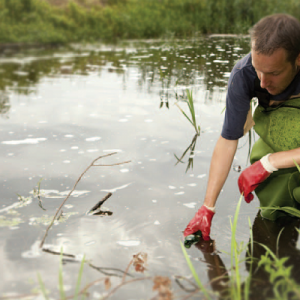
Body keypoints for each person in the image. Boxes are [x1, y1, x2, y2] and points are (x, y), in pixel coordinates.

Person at [184, 13, 300, 240]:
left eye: (274, 73)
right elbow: (228, 140)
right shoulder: (243, 73)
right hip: (281, 135)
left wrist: (270, 162)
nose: (264, 83)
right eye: (259, 70)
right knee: (275, 205)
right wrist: (207, 207)